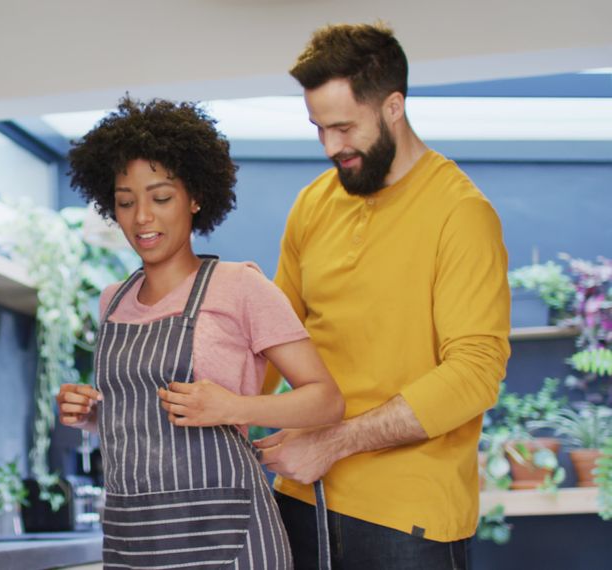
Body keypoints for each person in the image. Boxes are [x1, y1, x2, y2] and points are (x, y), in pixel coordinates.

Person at [253, 23, 511, 570]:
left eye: (344, 127)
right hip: (300, 496)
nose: (330, 147)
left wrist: (332, 442)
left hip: (407, 516)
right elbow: (272, 341)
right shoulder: (313, 204)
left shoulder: (460, 213)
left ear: (394, 106)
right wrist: (147, 405)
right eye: (318, 128)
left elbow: (475, 371)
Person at [56, 96, 344, 569]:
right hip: (136, 539)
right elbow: (140, 420)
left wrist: (234, 407)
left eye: (161, 197)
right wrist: (92, 413)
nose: (142, 217)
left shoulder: (241, 287)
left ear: (194, 198)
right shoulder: (112, 302)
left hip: (227, 536)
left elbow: (327, 400)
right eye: (125, 202)